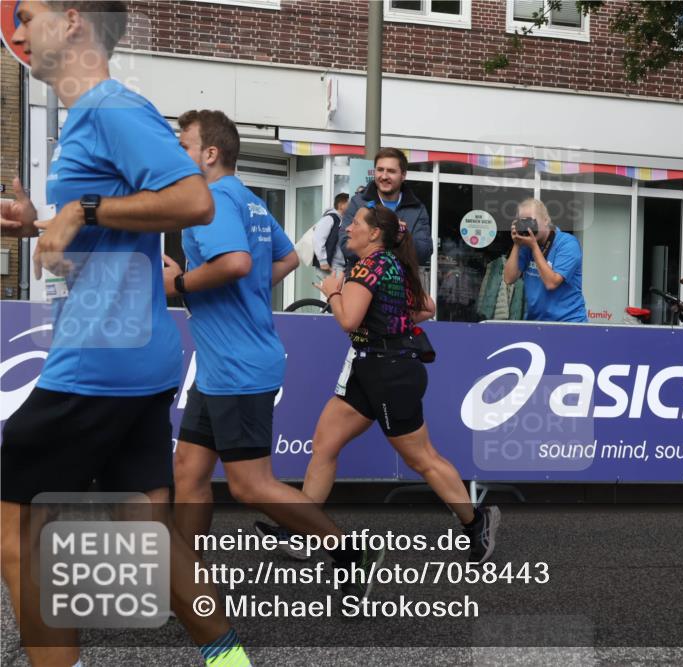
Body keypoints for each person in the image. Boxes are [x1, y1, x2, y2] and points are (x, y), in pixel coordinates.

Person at [0, 3, 245, 666]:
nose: (15, 29)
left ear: (74, 20)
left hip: (99, 360)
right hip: (135, 355)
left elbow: (195, 200)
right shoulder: (92, 115)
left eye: (28, 14)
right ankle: (231, 662)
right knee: (149, 535)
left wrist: (82, 208)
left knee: (15, 529)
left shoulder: (112, 109)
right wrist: (39, 223)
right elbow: (108, 229)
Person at [165, 110, 384, 601]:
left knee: (250, 486)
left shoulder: (217, 198)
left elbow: (237, 262)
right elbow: (287, 256)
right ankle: (186, 578)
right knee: (188, 471)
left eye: (184, 146)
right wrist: (241, 291)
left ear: (210, 153)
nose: (178, 154)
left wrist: (178, 283)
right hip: (222, 364)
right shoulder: (249, 200)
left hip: (239, 366)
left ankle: (351, 552)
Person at [257, 203, 500, 564]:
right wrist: (390, 318)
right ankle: (304, 532)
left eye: (355, 223)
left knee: (423, 459)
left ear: (374, 234)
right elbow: (426, 307)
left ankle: (476, 522)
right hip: (369, 369)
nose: (348, 227)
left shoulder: (371, 267)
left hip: (390, 374)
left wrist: (333, 291)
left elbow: (348, 321)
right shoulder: (390, 264)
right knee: (324, 445)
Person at [339, 148, 432, 270]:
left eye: (391, 171)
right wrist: (386, 237)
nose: (384, 176)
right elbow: (345, 243)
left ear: (403, 175)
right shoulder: (359, 202)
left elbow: (424, 252)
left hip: (400, 284)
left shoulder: (417, 208)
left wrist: (403, 238)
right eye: (380, 170)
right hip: (362, 281)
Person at [502, 198, 587, 323]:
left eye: (531, 221)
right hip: (537, 322)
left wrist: (533, 246)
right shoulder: (526, 244)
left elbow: (551, 283)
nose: (527, 227)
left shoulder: (567, 244)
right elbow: (509, 278)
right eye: (522, 222)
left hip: (568, 321)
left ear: (546, 220)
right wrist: (516, 244)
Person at [313, 192, 350, 273]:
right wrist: (323, 261)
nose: (351, 206)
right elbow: (318, 239)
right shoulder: (330, 218)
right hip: (331, 267)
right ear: (341, 205)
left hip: (339, 266)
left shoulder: (341, 220)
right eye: (349, 204)